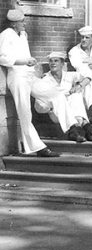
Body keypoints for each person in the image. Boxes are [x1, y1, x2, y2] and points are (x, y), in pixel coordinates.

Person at [0, 9, 58, 157]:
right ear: (14, 24)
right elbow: (2, 57)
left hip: (29, 75)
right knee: (25, 112)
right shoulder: (6, 35)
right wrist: (25, 61)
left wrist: (31, 63)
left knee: (53, 93)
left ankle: (70, 125)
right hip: (17, 77)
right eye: (22, 21)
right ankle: (37, 147)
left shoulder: (23, 35)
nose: (24, 24)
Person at [31, 53, 92, 143]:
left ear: (62, 64)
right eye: (51, 61)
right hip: (56, 112)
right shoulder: (45, 79)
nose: (53, 63)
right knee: (62, 98)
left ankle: (78, 131)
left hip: (74, 112)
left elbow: (89, 76)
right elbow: (39, 104)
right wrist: (51, 107)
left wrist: (79, 86)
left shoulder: (70, 76)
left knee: (76, 94)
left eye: (56, 61)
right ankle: (86, 130)